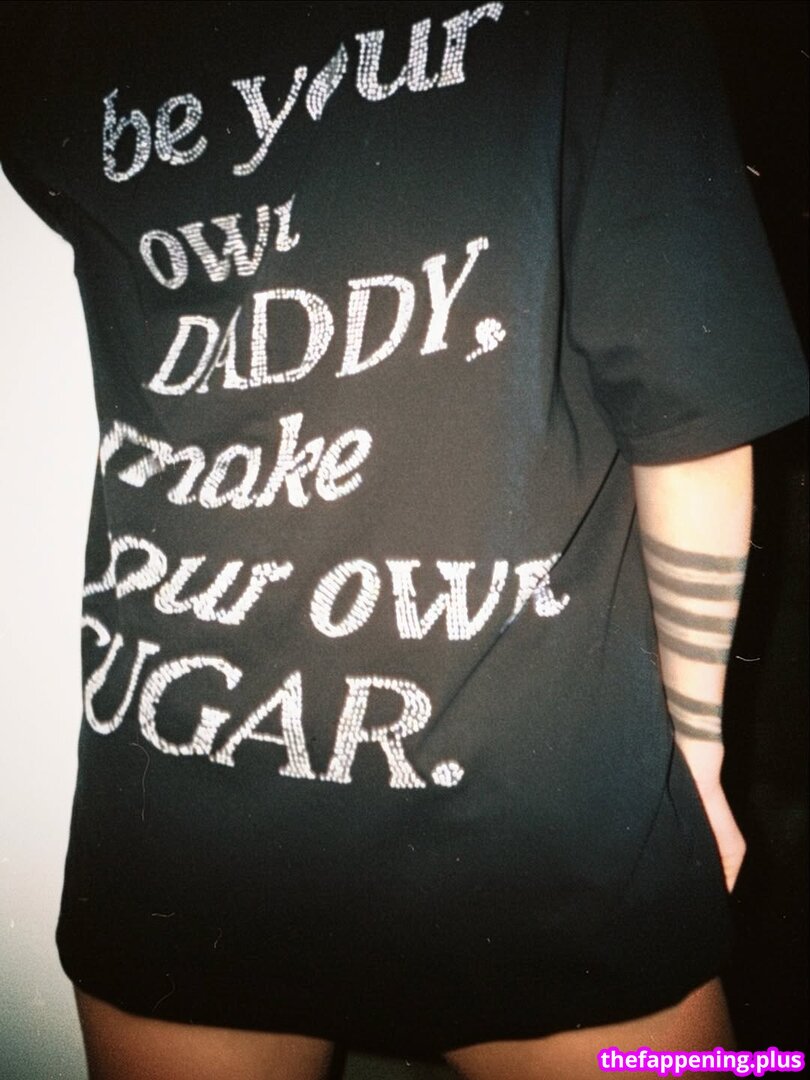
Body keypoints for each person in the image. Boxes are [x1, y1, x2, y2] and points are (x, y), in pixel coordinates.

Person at [1, 3, 806, 1078]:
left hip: (178, 801)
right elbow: (690, 416)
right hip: (533, 818)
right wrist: (697, 751)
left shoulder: (58, 35)